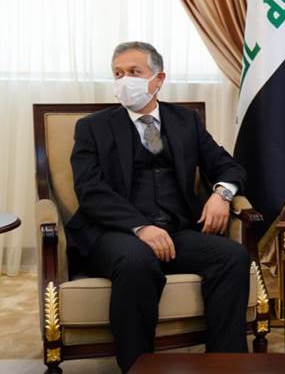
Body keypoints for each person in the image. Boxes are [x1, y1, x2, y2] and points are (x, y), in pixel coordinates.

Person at [68, 41, 250, 371]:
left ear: (158, 79)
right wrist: (140, 227)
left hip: (176, 229)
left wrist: (221, 195)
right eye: (118, 74)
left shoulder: (186, 121)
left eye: (134, 72)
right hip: (114, 233)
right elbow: (90, 190)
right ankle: (139, 366)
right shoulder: (92, 127)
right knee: (137, 261)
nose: (124, 80)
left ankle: (224, 364)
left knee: (232, 256)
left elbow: (228, 166)